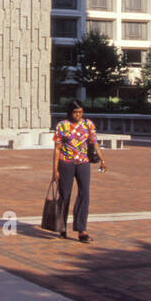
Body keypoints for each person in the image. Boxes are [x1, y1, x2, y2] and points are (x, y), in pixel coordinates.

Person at [52, 99, 106, 242]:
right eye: (75, 112)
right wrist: (55, 170)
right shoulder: (62, 126)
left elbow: (94, 143)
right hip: (66, 163)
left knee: (85, 194)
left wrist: (103, 160)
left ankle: (82, 230)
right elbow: (57, 149)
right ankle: (61, 226)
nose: (78, 115)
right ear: (70, 112)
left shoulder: (88, 124)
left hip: (83, 163)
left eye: (80, 112)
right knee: (65, 195)